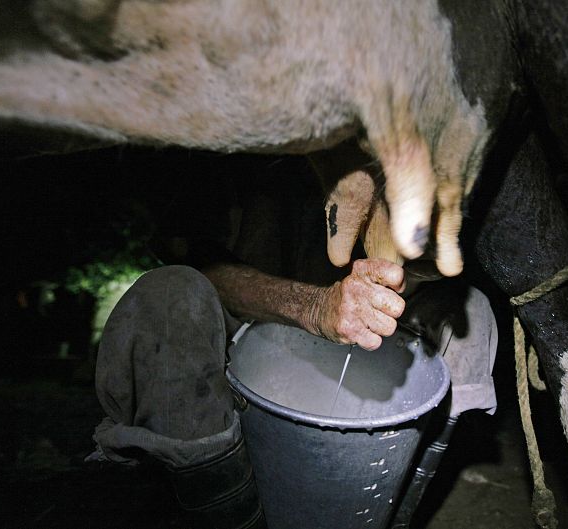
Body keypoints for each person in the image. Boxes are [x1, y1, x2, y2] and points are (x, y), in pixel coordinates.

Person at [85, 159, 498, 528]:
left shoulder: (389, 151)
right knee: (170, 296)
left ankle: (387, 513)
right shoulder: (228, 152)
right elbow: (192, 256)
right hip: (241, 336)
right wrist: (315, 308)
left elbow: (417, 266)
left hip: (345, 331)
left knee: (469, 314)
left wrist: (408, 277)